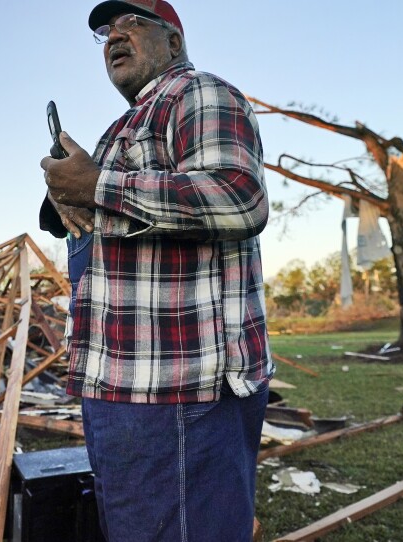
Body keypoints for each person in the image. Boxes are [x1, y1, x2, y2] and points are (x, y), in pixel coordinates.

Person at [39, 1, 274, 540]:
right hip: (121, 386)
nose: (115, 36)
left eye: (131, 23)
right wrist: (63, 194)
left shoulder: (199, 93)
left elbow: (240, 199)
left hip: (179, 395)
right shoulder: (126, 124)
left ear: (173, 41)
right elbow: (99, 214)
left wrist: (96, 185)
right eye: (106, 32)